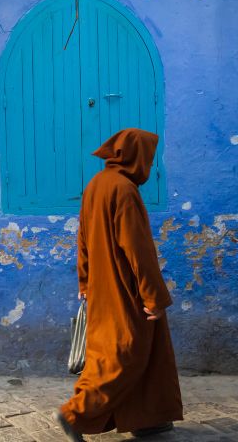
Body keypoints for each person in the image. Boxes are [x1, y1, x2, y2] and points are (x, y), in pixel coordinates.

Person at [55, 128, 183, 440]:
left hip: (100, 286)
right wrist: (153, 296)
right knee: (125, 352)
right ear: (135, 158)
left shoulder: (96, 184)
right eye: (149, 161)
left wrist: (84, 281)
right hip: (125, 289)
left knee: (144, 350)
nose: (151, 168)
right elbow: (138, 250)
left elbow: (82, 238)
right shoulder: (124, 189)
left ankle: (147, 418)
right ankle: (75, 413)